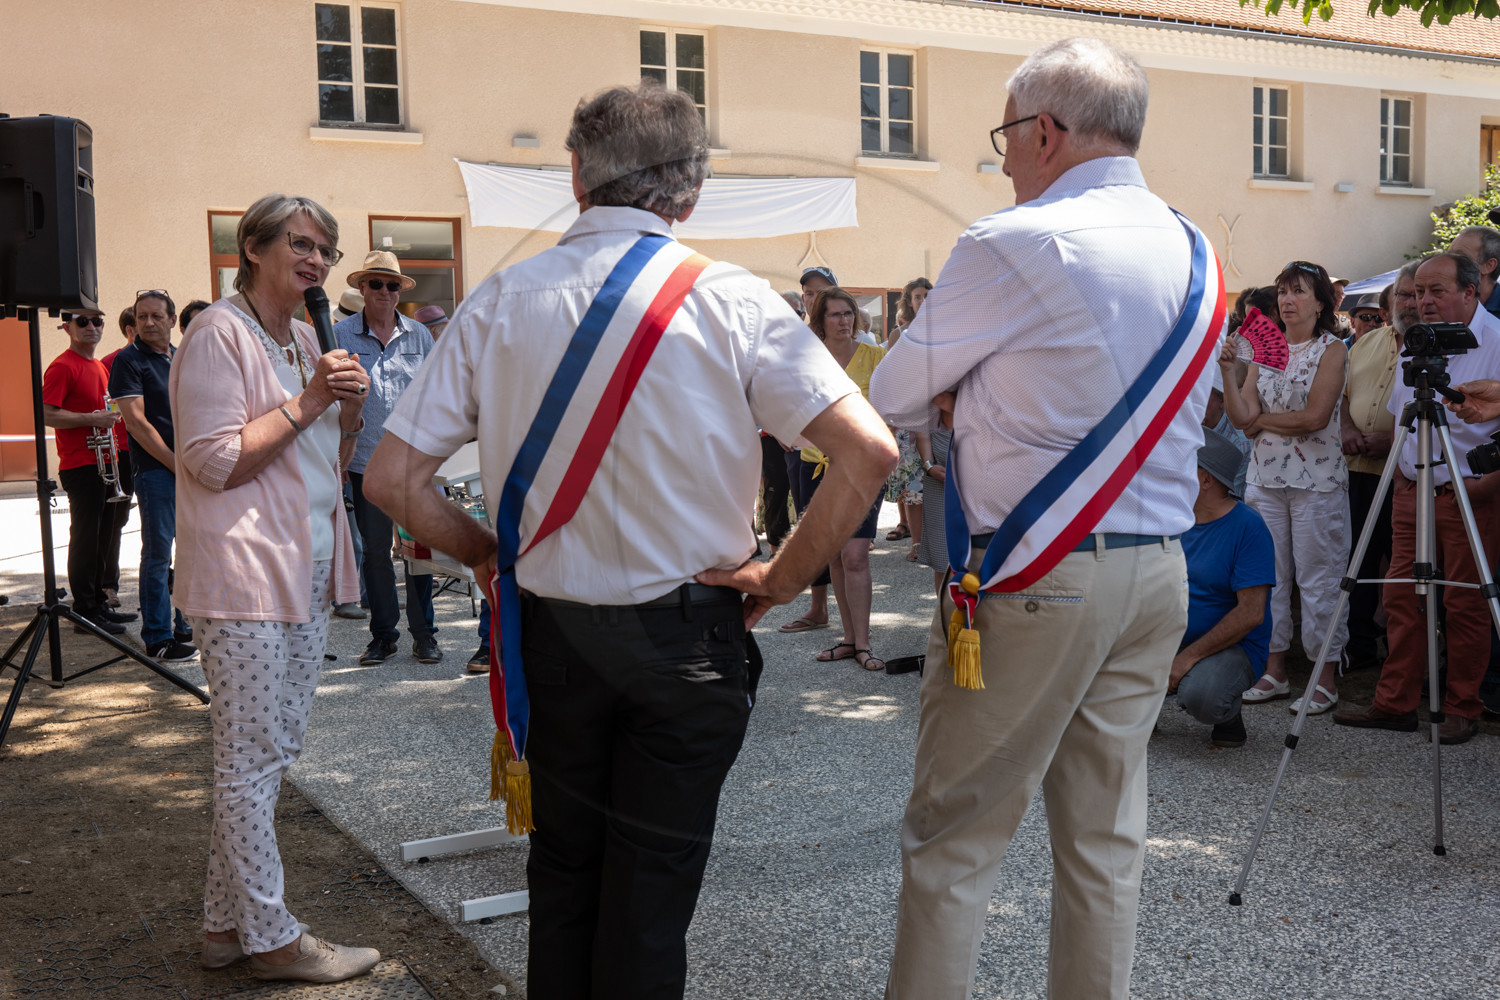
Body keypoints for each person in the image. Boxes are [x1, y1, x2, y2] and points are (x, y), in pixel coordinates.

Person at [362, 81, 894, 1000]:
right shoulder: (732, 301)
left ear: (575, 175)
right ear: (689, 196)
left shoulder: (498, 299)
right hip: (687, 637)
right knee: (648, 899)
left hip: (554, 635)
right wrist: (781, 574)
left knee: (563, 879)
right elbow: (868, 452)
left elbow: (391, 481)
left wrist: (487, 553)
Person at [869, 38, 1216, 999]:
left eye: (1008, 137)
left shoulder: (1014, 239)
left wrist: (962, 394)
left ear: (1048, 132)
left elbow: (895, 389)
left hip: (1037, 577)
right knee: (1106, 841)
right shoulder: (1196, 245)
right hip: (1156, 569)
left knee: (954, 840)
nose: (1006, 158)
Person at [171, 192, 378, 982]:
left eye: (325, 248)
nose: (317, 260)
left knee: (270, 752)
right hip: (244, 573)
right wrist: (315, 398)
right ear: (251, 248)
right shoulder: (217, 333)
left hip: (304, 568)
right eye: (299, 243)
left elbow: (320, 454)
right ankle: (274, 939)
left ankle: (224, 930)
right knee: (251, 761)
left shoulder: (300, 335)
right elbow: (214, 460)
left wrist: (347, 413)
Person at [1335, 252, 1500, 745]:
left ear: (1470, 292)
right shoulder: (1417, 342)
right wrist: (1402, 479)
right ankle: (1395, 702)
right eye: (1417, 291)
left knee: (1465, 604)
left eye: (1436, 291)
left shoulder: (1497, 342)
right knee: (1401, 597)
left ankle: (1461, 707)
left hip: (1469, 493)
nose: (1423, 301)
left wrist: (1486, 487)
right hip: (1411, 490)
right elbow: (1404, 418)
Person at [1221, 260, 1349, 715]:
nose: (1287, 299)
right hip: (1265, 479)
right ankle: (1273, 670)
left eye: (1297, 291)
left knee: (1320, 579)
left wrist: (1261, 423)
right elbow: (1240, 418)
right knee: (1270, 579)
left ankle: (1323, 676)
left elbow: (1315, 417)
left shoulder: (1332, 349)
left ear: (1320, 303)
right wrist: (1228, 372)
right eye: (1282, 291)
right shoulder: (1264, 350)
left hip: (1316, 482)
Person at [334, 251, 440, 666]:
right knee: (375, 553)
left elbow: (435, 397)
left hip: (412, 465)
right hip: (363, 463)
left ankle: (425, 635)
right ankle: (383, 636)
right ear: (361, 288)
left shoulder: (419, 335)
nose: (383, 291)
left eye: (391, 285)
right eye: (375, 283)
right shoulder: (339, 335)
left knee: (418, 552)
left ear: (400, 291)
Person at [801, 287, 888, 672]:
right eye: (835, 315)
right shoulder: (805, 359)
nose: (844, 321)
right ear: (820, 320)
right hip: (815, 465)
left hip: (862, 469)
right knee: (835, 554)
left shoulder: (875, 357)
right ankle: (849, 639)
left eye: (848, 313)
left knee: (855, 554)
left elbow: (892, 409)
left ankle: (865, 642)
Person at [1170, 428, 1275, 748]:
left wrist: (1186, 658)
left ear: (1206, 480)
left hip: (1233, 647)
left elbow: (1251, 613)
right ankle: (1142, 712)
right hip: (1167, 633)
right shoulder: (1172, 518)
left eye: (1182, 466)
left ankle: (1226, 712)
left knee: (1205, 695)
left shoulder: (1248, 526)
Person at [109, 289, 197, 662]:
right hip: (155, 472)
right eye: (142, 317)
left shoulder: (181, 358)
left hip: (190, 469)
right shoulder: (129, 361)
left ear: (171, 321)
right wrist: (176, 463)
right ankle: (158, 638)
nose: (147, 323)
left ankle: (185, 626)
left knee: (191, 551)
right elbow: (137, 423)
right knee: (159, 554)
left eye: (155, 316)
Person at [1340, 264, 1417, 671]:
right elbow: (1342, 396)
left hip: (1405, 476)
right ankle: (1360, 647)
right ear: (1387, 307)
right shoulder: (1364, 345)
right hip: (1357, 472)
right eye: (1401, 295)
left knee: (1405, 566)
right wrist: (1348, 426)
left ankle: (1408, 654)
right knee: (1356, 559)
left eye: (1415, 294)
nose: (1409, 301)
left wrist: (1394, 441)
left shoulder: (1436, 347)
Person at [42, 309, 138, 635]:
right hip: (81, 464)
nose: (91, 327)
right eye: (82, 321)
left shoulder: (97, 366)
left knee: (103, 536)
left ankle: (98, 603)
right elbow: (47, 414)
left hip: (105, 462)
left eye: (97, 321)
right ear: (67, 327)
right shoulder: (63, 365)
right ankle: (83, 609)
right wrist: (92, 420)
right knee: (85, 537)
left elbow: (104, 408)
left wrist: (110, 417)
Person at [885, 277, 934, 553]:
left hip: (939, 415)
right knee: (913, 484)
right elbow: (890, 377)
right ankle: (917, 542)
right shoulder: (899, 334)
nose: (923, 300)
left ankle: (939, 540)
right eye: (917, 296)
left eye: (928, 295)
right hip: (909, 416)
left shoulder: (945, 331)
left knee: (938, 480)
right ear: (909, 301)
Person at [1448, 225, 1500, 317]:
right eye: (1448, 255)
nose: (1448, 262)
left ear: (1488, 266)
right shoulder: (1442, 303)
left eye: (1460, 257)